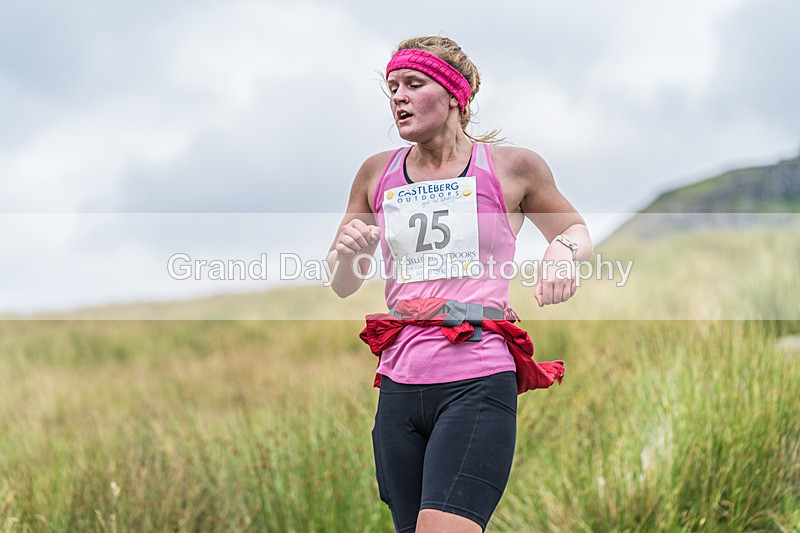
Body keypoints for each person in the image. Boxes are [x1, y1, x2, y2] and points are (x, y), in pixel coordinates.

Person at [326, 36, 592, 533]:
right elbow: (342, 282)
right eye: (391, 88)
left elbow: (574, 230)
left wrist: (562, 253)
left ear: (454, 94)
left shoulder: (513, 167)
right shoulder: (374, 173)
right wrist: (348, 253)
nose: (397, 97)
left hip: (476, 378)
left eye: (413, 84)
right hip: (400, 387)